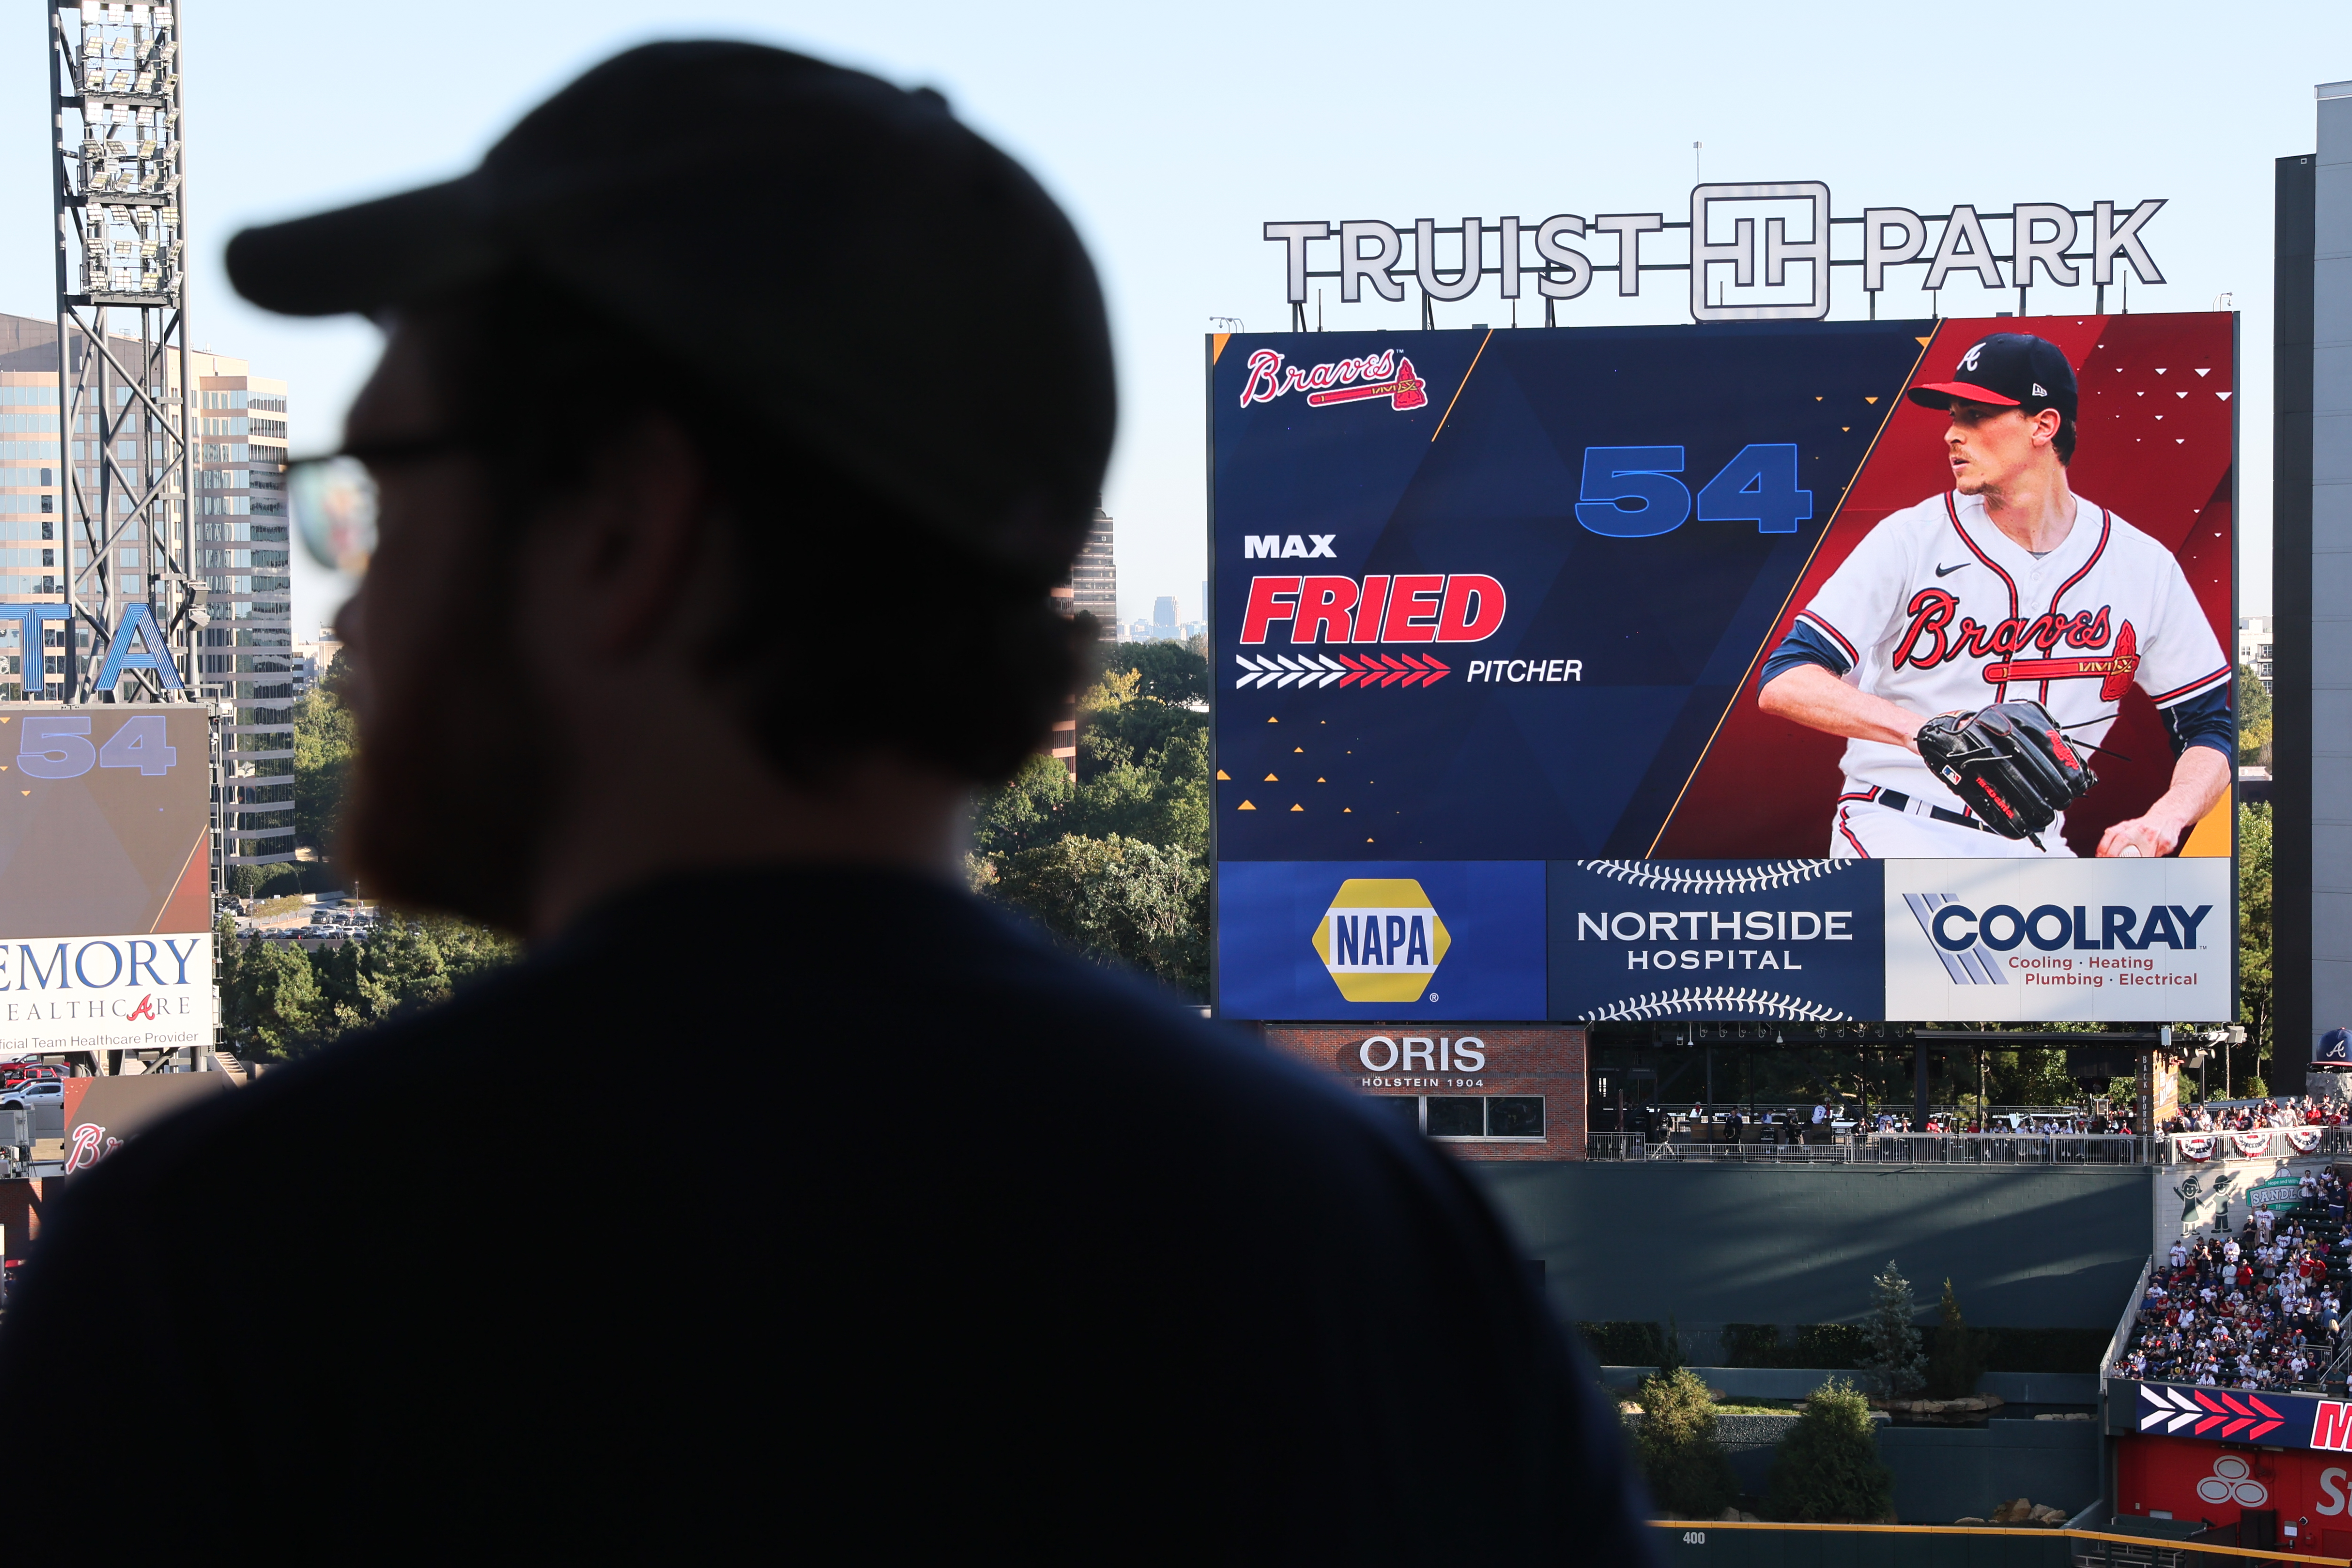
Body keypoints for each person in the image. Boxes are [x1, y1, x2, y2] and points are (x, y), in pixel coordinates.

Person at [0, 43, 1657, 1562]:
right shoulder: (1384, 1266)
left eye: (376, 502)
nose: (344, 617)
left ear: (625, 530)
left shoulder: (250, 1271)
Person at [1757, 332, 2233, 858]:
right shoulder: (1910, 538)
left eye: (1976, 415)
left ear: (2043, 425)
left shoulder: (2142, 566)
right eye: (1952, 415)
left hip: (2037, 844)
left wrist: (2167, 816)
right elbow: (1787, 678)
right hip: (1898, 823)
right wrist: (1925, 732)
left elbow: (2209, 725)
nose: (1952, 434)